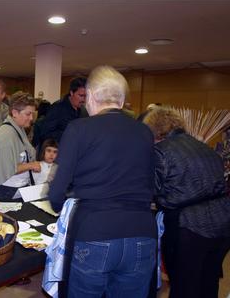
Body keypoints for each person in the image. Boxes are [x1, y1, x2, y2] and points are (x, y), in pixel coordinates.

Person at [48, 66, 157, 298]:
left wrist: (59, 208)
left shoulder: (79, 128)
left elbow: (57, 188)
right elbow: (152, 183)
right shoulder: (144, 132)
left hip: (95, 230)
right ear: (122, 98)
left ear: (93, 95)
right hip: (142, 231)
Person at [143, 107, 230, 298]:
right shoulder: (205, 147)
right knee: (209, 280)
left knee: (184, 285)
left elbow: (151, 190)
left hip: (189, 226)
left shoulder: (160, 152)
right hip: (223, 223)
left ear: (155, 131)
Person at [0, 92, 40, 199]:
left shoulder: (18, 128)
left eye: (32, 114)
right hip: (7, 191)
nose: (31, 118)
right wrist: (32, 165)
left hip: (15, 188)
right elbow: (8, 169)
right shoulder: (7, 135)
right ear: (15, 113)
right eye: (28, 114)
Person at [39, 77, 87, 144]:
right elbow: (45, 134)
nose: (84, 100)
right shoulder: (57, 108)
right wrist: (70, 135)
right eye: (81, 95)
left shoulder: (84, 111)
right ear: (71, 93)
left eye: (86, 96)